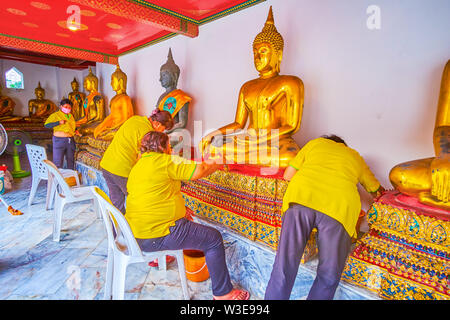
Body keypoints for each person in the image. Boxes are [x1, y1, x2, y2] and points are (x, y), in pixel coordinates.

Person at [126, 131, 250, 300]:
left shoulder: (138, 166)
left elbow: (156, 194)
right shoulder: (164, 161)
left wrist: (181, 210)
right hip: (157, 234)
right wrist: (220, 159)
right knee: (213, 239)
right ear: (162, 147)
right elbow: (202, 169)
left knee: (193, 226)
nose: (171, 149)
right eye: (169, 146)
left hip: (137, 234)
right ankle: (223, 294)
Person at [264, 135, 385, 300]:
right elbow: (375, 190)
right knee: (328, 274)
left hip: (301, 199)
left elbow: (288, 175)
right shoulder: (354, 156)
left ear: (328, 140)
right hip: (338, 209)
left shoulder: (314, 144)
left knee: (284, 264)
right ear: (343, 146)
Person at [99, 109, 174, 214]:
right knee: (138, 202)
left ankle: (117, 230)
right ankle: (136, 229)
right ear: (157, 124)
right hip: (122, 170)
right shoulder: (148, 133)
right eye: (164, 128)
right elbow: (143, 159)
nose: (163, 131)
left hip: (107, 165)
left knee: (117, 205)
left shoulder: (136, 118)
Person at [44, 98, 79, 170]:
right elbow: (47, 125)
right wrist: (58, 122)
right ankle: (57, 179)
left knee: (70, 160)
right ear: (61, 106)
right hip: (59, 140)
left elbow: (72, 125)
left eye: (69, 107)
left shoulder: (71, 116)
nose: (68, 109)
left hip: (70, 140)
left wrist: (76, 131)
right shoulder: (55, 115)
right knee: (58, 161)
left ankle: (70, 177)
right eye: (66, 107)